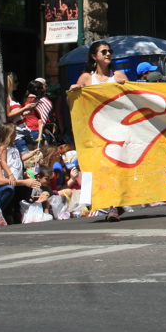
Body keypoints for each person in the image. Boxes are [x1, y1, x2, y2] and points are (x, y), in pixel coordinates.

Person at [72, 40, 128, 221]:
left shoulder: (118, 75)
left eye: (110, 51)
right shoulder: (87, 79)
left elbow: (135, 99)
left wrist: (124, 86)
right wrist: (74, 92)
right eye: (103, 51)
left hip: (117, 129)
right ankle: (112, 204)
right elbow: (73, 106)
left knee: (115, 166)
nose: (108, 54)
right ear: (94, 56)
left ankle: (114, 204)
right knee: (102, 168)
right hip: (95, 132)